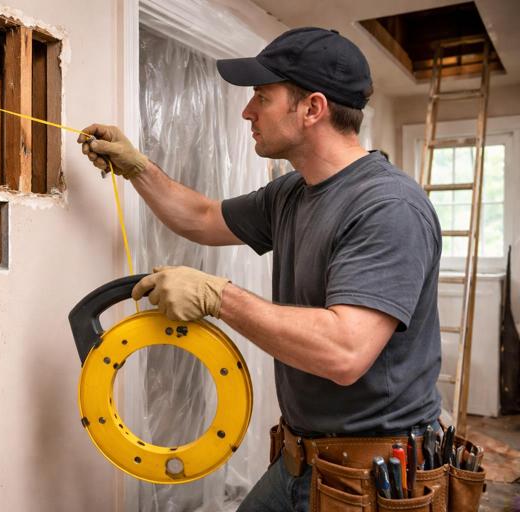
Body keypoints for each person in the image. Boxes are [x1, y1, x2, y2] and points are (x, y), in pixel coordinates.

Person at [78, 27, 442, 512]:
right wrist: (137, 167)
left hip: (373, 477)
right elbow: (204, 217)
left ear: (312, 109)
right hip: (302, 458)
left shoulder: (387, 207)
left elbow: (345, 350)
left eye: (262, 98)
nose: (248, 112)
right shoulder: (292, 193)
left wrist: (219, 296)